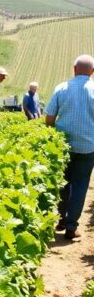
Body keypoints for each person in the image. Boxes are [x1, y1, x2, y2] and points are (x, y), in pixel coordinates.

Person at [45, 54, 94, 240]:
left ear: (74, 69)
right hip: (88, 147)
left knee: (63, 184)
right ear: (93, 72)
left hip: (63, 147)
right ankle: (71, 228)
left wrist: (54, 136)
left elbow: (49, 118)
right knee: (80, 186)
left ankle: (60, 220)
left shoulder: (61, 88)